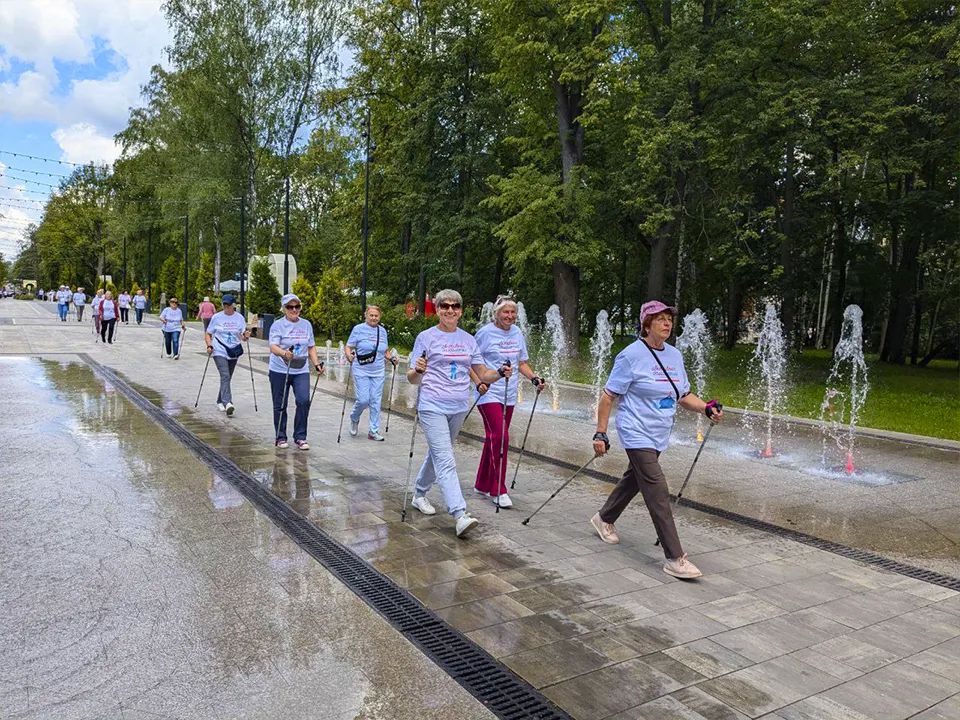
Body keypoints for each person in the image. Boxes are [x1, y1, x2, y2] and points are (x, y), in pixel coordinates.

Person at [590, 300, 724, 580]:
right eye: (660, 319)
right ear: (646, 324)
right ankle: (675, 557)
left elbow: (683, 395)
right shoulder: (630, 356)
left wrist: (706, 408)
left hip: (659, 431)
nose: (667, 323)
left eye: (669, 319)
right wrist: (601, 432)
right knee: (657, 488)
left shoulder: (674, 356)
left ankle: (604, 518)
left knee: (634, 479)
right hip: (635, 430)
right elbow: (608, 396)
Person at [407, 289, 513, 538]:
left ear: (461, 311)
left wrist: (500, 372)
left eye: (455, 306)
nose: (450, 310)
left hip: (458, 407)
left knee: (437, 453)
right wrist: (418, 371)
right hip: (432, 405)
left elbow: (483, 374)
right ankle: (459, 514)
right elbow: (412, 378)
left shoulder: (468, 340)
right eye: (445, 306)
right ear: (438, 309)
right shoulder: (426, 337)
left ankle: (419, 493)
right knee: (445, 458)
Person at [471, 295, 546, 508]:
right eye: (506, 312)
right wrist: (478, 383)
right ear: (496, 313)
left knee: (494, 438)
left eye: (513, 312)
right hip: (489, 393)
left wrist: (534, 378)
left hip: (509, 394)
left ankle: (482, 484)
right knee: (501, 437)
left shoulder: (517, 333)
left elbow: (521, 362)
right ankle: (498, 489)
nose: (510, 316)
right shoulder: (484, 333)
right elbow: (470, 361)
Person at [268, 293, 323, 450]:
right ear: (284, 309)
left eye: (297, 306)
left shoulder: (306, 324)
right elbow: (273, 347)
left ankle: (300, 436)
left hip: (301, 369)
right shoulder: (277, 325)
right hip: (280, 369)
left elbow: (311, 346)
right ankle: (281, 437)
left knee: (304, 400)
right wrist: (284, 353)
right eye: (290, 307)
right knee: (280, 404)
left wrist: (316, 364)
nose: (294, 310)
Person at [345, 305, 398, 441]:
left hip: (378, 370)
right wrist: (349, 356)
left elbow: (385, 350)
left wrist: (391, 358)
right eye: (371, 315)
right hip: (361, 369)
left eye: (376, 316)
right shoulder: (358, 329)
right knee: (363, 400)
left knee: (375, 400)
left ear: (379, 317)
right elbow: (348, 346)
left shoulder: (382, 331)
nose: (374, 318)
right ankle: (354, 417)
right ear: (366, 316)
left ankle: (373, 431)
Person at [205, 294, 251, 416]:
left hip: (233, 351)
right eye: (224, 304)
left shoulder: (239, 318)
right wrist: (209, 345)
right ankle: (228, 402)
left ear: (233, 305)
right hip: (219, 350)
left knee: (227, 377)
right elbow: (208, 333)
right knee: (225, 375)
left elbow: (242, 337)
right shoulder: (216, 317)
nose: (226, 307)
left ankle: (220, 400)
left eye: (228, 305)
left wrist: (246, 336)